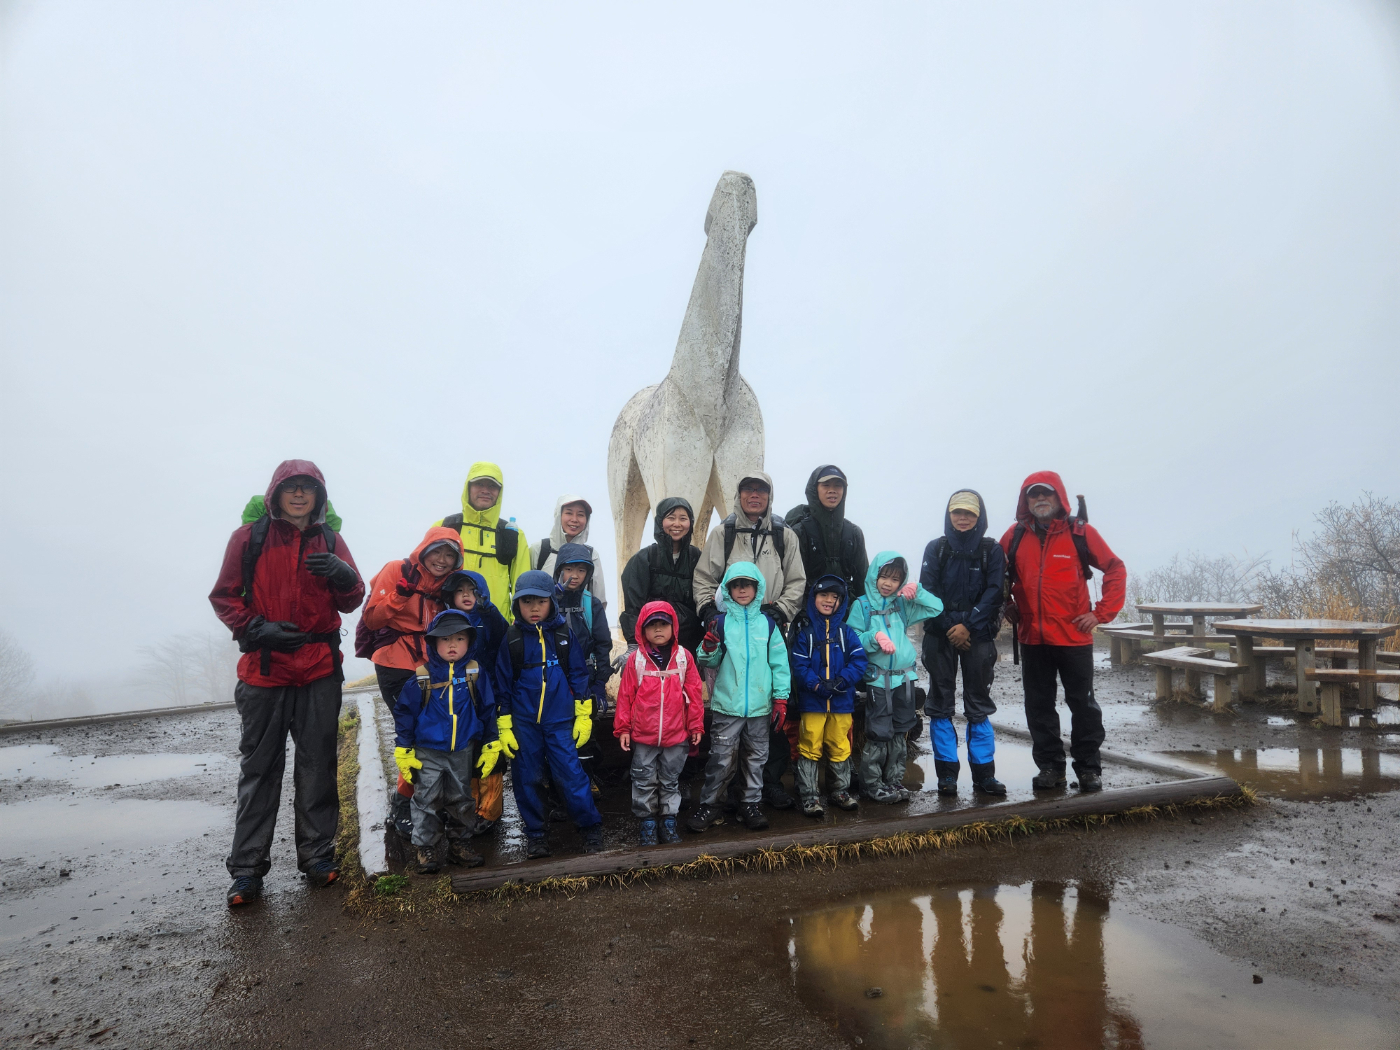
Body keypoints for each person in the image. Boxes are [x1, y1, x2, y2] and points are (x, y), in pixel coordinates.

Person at [209, 460, 364, 908]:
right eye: (291, 487)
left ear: (319, 496)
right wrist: (256, 628)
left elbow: (352, 600)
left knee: (318, 767)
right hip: (265, 670)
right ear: (276, 492)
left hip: (318, 669)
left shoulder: (331, 541)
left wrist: (343, 575)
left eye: (307, 487)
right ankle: (246, 870)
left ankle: (317, 857)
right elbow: (224, 597)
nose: (299, 494)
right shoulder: (248, 538)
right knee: (260, 770)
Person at [1000, 472, 1125, 793]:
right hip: (1032, 637)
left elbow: (1114, 567)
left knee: (1083, 706)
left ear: (1060, 497)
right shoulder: (1014, 535)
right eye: (1034, 494)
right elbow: (994, 574)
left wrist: (1101, 613)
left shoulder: (1081, 532)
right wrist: (1006, 603)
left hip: (1074, 637)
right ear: (1025, 500)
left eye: (1047, 493)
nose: (1040, 499)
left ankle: (1088, 769)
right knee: (1038, 706)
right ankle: (1051, 768)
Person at [692, 473, 806, 810]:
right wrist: (709, 612)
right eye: (748, 489)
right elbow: (704, 577)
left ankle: (767, 785)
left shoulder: (784, 534)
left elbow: (797, 581)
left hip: (768, 626)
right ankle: (724, 793)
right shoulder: (723, 533)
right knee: (729, 705)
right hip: (729, 628)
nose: (754, 495)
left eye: (761, 490)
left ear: (770, 495)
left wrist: (780, 612)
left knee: (768, 709)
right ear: (739, 494)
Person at [361, 526, 464, 839]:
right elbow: (373, 619)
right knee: (414, 735)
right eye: (437, 551)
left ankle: (424, 800)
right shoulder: (397, 570)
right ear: (424, 550)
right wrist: (401, 595)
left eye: (450, 555)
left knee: (432, 734)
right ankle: (403, 805)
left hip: (431, 664)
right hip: (395, 664)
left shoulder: (450, 584)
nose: (442, 560)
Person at [493, 570, 605, 858]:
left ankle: (590, 828)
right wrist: (504, 724)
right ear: (517, 604)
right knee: (527, 778)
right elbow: (503, 684)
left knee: (571, 774)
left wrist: (583, 713)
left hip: (560, 721)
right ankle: (536, 835)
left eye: (540, 601)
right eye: (526, 601)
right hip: (524, 723)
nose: (534, 608)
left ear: (551, 602)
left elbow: (578, 674)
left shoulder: (563, 635)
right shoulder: (512, 639)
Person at [687, 563, 791, 833]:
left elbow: (780, 664)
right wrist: (708, 647)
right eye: (736, 585)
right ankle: (711, 805)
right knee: (721, 758)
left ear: (758, 588)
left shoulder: (768, 625)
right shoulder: (720, 623)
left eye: (747, 585)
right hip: (727, 706)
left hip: (760, 708)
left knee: (756, 758)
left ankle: (750, 804)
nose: (742, 590)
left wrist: (780, 699)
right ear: (728, 590)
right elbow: (707, 661)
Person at [391, 610, 497, 873]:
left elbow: (487, 709)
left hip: (462, 750)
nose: (452, 645)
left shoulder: (475, 673)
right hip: (427, 751)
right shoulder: (422, 677)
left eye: (460, 639)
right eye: (445, 639)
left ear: (469, 642)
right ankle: (425, 847)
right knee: (426, 798)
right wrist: (403, 748)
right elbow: (404, 714)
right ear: (433, 642)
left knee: (461, 797)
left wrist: (491, 741)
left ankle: (460, 843)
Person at [920, 490, 1007, 798]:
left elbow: (995, 591)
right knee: (940, 702)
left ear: (979, 516)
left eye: (969, 513)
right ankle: (947, 775)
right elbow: (927, 591)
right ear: (949, 515)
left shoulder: (991, 550)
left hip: (978, 635)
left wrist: (968, 625)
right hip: (940, 635)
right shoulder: (936, 548)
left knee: (978, 702)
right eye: (957, 512)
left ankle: (984, 775)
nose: (963, 517)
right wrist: (951, 627)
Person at [848, 552, 942, 803]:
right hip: (879, 680)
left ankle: (893, 781)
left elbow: (936, 607)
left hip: (905, 679)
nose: (888, 583)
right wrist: (874, 637)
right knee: (879, 733)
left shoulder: (902, 605)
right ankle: (872, 785)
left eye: (895, 579)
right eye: (884, 577)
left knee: (901, 731)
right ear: (874, 576)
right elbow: (851, 639)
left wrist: (918, 592)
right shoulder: (861, 605)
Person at [613, 601, 704, 845]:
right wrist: (623, 728)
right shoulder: (636, 660)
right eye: (651, 625)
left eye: (663, 624)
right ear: (642, 630)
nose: (658, 629)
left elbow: (694, 694)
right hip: (644, 735)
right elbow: (625, 696)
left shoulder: (684, 658)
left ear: (673, 627)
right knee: (643, 779)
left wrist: (696, 725)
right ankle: (647, 822)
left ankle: (669, 819)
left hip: (677, 734)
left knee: (670, 779)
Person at [437, 569, 510, 833]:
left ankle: (489, 812)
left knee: (490, 751)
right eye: (460, 591)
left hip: (488, 694)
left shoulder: (488, 619)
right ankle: (467, 809)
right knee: (464, 752)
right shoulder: (445, 622)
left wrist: (489, 610)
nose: (467, 595)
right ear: (451, 596)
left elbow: (503, 634)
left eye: (472, 590)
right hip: (458, 698)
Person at [789, 575, 869, 816]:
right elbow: (799, 665)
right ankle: (809, 795)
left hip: (841, 702)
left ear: (841, 602)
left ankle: (839, 791)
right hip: (813, 702)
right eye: (823, 595)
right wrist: (815, 685)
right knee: (809, 745)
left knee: (839, 744)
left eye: (835, 597)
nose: (828, 600)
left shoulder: (847, 633)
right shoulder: (806, 634)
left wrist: (843, 680)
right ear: (813, 598)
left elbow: (859, 660)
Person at [434, 462, 531, 620]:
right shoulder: (444, 527)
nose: (485, 490)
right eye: (479, 484)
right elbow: (425, 576)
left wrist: (518, 624)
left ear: (499, 492)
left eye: (492, 486)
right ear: (468, 487)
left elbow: (524, 585)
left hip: (496, 626)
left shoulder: (513, 534)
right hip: (449, 625)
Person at [619, 497, 704, 654]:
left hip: (688, 646)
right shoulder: (645, 558)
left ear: (690, 522)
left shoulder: (696, 557)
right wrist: (633, 643)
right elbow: (633, 606)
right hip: (652, 644)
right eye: (671, 518)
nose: (677, 524)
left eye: (683, 518)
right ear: (660, 521)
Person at [784, 465, 869, 607]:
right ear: (815, 489)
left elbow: (863, 580)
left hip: (847, 613)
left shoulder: (854, 533)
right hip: (807, 613)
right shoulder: (800, 531)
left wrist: (861, 611)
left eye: (838, 485)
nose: (832, 490)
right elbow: (791, 580)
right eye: (826, 485)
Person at [551, 542, 616, 712]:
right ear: (559, 570)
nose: (575, 575)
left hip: (586, 677)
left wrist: (600, 683)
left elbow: (603, 644)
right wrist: (553, 600)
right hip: (553, 677)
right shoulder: (548, 602)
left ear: (588, 573)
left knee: (584, 724)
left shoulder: (592, 604)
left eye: (581, 570)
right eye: (569, 569)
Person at [530, 495, 607, 601]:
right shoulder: (539, 550)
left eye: (580, 515)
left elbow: (599, 601)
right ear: (559, 515)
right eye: (569, 513)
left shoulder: (591, 555)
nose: (574, 519)